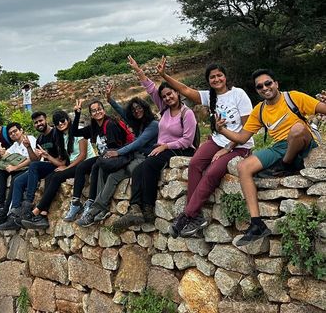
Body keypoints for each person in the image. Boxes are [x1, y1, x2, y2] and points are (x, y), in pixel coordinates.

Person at [214, 68, 326, 245]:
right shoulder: (259, 110)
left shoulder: (293, 97)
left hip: (303, 144)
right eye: (260, 87)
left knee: (296, 129)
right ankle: (257, 224)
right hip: (279, 147)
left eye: (268, 83)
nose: (265, 88)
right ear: (257, 91)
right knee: (243, 167)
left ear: (276, 84)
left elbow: (323, 109)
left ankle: (286, 164)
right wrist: (222, 130)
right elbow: (242, 137)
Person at [158, 58, 253, 238]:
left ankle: (187, 215)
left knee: (212, 172)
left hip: (240, 144)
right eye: (212, 77)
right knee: (195, 163)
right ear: (208, 81)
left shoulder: (238, 94)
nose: (216, 79)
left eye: (219, 75)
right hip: (218, 140)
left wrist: (228, 147)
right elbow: (185, 90)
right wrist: (164, 75)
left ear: (225, 77)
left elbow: (247, 127)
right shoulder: (211, 97)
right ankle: (195, 216)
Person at [112, 56, 197, 230]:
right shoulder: (164, 109)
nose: (167, 98)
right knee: (138, 169)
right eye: (164, 96)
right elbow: (151, 88)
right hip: (163, 148)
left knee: (149, 165)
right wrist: (138, 70)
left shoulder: (186, 113)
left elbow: (188, 140)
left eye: (170, 94)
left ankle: (148, 209)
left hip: (183, 149)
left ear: (177, 93)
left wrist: (166, 146)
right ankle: (135, 207)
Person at [76, 84, 159, 227]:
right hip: (134, 156)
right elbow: (123, 113)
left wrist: (118, 152)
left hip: (144, 158)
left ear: (146, 108)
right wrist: (109, 100)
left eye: (139, 108)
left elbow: (138, 143)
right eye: (134, 110)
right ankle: (98, 209)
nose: (137, 111)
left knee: (117, 170)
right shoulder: (138, 123)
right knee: (110, 173)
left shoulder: (153, 125)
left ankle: (98, 209)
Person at [21, 109, 95, 229]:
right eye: (57, 122)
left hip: (86, 163)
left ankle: (35, 211)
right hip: (74, 164)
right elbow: (65, 158)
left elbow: (82, 155)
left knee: (56, 176)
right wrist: (47, 156)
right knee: (50, 176)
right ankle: (43, 214)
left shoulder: (79, 130)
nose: (60, 124)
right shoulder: (62, 136)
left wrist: (66, 168)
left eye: (62, 120)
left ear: (68, 120)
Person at [63, 98, 133, 222]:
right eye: (94, 111)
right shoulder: (94, 127)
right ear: (91, 114)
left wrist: (102, 159)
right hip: (104, 157)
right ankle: (75, 203)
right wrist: (77, 113)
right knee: (81, 167)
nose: (97, 112)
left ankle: (92, 203)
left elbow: (115, 149)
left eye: (99, 109)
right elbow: (74, 132)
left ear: (104, 110)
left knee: (96, 167)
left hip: (119, 156)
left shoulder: (110, 124)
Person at [0, 111, 64, 231]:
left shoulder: (56, 134)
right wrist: (28, 148)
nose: (38, 124)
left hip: (57, 165)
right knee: (18, 181)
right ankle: (15, 213)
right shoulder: (40, 138)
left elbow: (62, 158)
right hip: (46, 165)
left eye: (40, 121)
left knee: (35, 167)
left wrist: (48, 157)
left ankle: (28, 203)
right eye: (36, 122)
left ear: (46, 119)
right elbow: (35, 159)